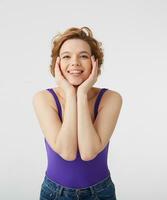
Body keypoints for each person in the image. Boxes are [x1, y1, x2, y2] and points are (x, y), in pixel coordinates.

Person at [33, 26, 122, 200]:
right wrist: (69, 92)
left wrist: (81, 94)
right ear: (57, 64)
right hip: (54, 193)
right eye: (66, 56)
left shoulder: (110, 98)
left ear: (95, 63)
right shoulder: (44, 98)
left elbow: (89, 152)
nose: (74, 62)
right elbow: (67, 152)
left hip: (100, 193)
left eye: (83, 56)